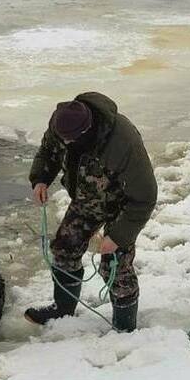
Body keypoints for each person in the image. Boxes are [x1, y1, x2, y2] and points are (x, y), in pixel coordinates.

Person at [25, 92, 157, 332]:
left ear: (86, 131)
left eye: (70, 141)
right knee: (64, 248)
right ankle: (63, 310)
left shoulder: (122, 142)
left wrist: (117, 236)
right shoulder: (62, 122)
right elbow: (48, 151)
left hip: (124, 204)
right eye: (62, 139)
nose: (64, 144)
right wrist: (41, 179)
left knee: (115, 266)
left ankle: (125, 328)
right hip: (88, 198)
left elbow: (145, 197)